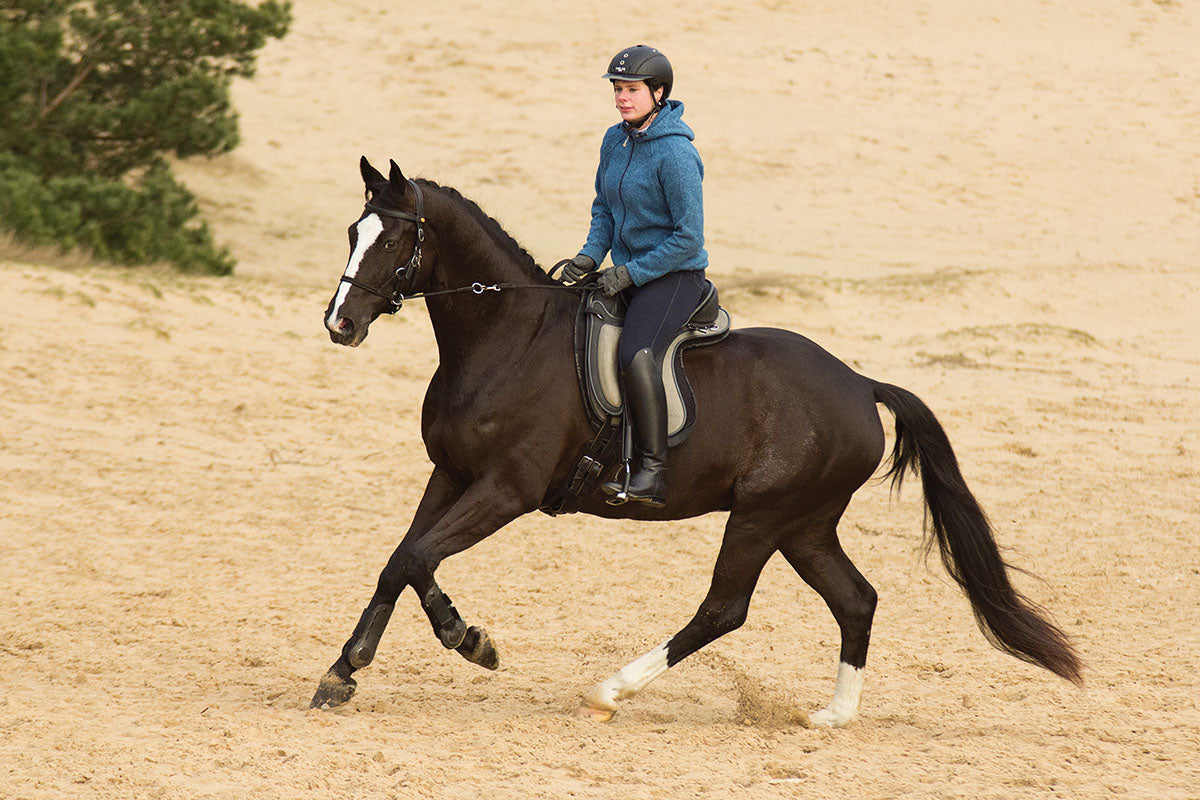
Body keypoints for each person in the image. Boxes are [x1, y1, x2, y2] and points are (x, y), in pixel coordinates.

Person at [557, 44, 709, 508]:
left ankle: (652, 471)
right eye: (618, 89)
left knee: (636, 353)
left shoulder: (677, 155)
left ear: (658, 93)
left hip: (673, 277)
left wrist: (630, 273)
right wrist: (588, 257)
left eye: (633, 90)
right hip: (624, 272)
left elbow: (688, 237)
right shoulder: (614, 139)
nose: (622, 98)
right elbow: (604, 207)